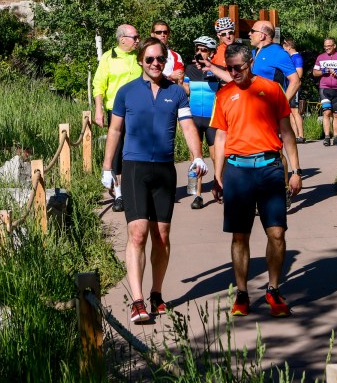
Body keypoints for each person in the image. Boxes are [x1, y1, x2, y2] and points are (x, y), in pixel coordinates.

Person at [102, 38, 207, 325]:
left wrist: (198, 156)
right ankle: (137, 301)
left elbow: (187, 126)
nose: (155, 64)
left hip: (164, 170)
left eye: (160, 59)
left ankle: (156, 294)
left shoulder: (177, 93)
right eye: (149, 59)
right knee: (137, 234)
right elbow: (114, 130)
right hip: (135, 168)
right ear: (140, 61)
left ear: (166, 61)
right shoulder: (126, 92)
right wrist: (108, 168)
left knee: (161, 237)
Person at [211, 43, 301, 318]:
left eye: (238, 68)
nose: (233, 73)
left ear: (250, 63)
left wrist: (295, 170)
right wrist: (218, 175)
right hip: (238, 171)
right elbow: (221, 137)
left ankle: (273, 289)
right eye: (229, 69)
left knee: (277, 232)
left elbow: (286, 132)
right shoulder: (224, 94)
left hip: (269, 167)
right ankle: (241, 292)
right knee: (241, 235)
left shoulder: (271, 89)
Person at [92, 24, 142, 213]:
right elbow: (98, 85)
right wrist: (99, 109)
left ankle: (135, 188)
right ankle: (119, 193)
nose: (137, 40)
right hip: (116, 110)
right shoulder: (108, 57)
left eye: (138, 37)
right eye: (134, 37)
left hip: (139, 110)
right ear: (122, 39)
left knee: (136, 148)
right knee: (117, 149)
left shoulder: (139, 57)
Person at [248, 22, 301, 106]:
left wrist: (282, 106)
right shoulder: (253, 52)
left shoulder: (278, 53)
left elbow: (295, 82)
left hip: (270, 109)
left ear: (262, 35)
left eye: (252, 31)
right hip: (253, 107)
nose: (249, 34)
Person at [313, 37, 337, 146]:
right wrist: (323, 71)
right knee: (326, 112)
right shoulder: (320, 57)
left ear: (334, 46)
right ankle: (326, 137)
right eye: (325, 46)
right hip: (324, 88)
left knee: (336, 115)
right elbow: (314, 72)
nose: (327, 48)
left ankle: (336, 137)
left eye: (329, 46)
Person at [281, 35, 306, 143]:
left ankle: (301, 135)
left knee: (295, 111)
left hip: (294, 87)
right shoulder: (290, 57)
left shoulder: (297, 57)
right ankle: (295, 135)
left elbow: (299, 73)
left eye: (284, 47)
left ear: (289, 46)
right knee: (290, 112)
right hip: (288, 87)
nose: (283, 49)